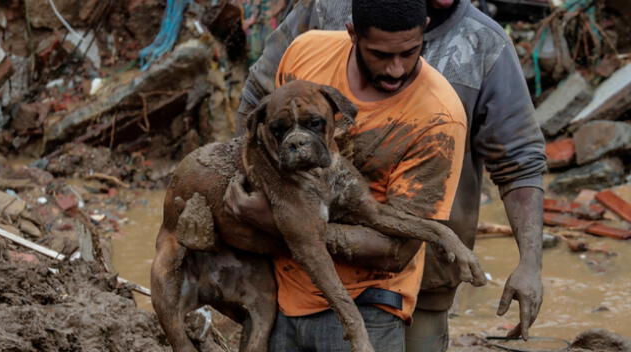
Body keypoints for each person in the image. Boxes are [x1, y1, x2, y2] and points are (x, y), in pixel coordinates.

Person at [229, 0, 547, 351]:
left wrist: (530, 264)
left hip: (407, 272)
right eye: (380, 54)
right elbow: (257, 105)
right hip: (292, 268)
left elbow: (520, 159)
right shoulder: (319, 27)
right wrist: (246, 191)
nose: (396, 70)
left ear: (422, 29)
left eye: (408, 53)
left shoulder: (479, 51)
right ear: (353, 34)